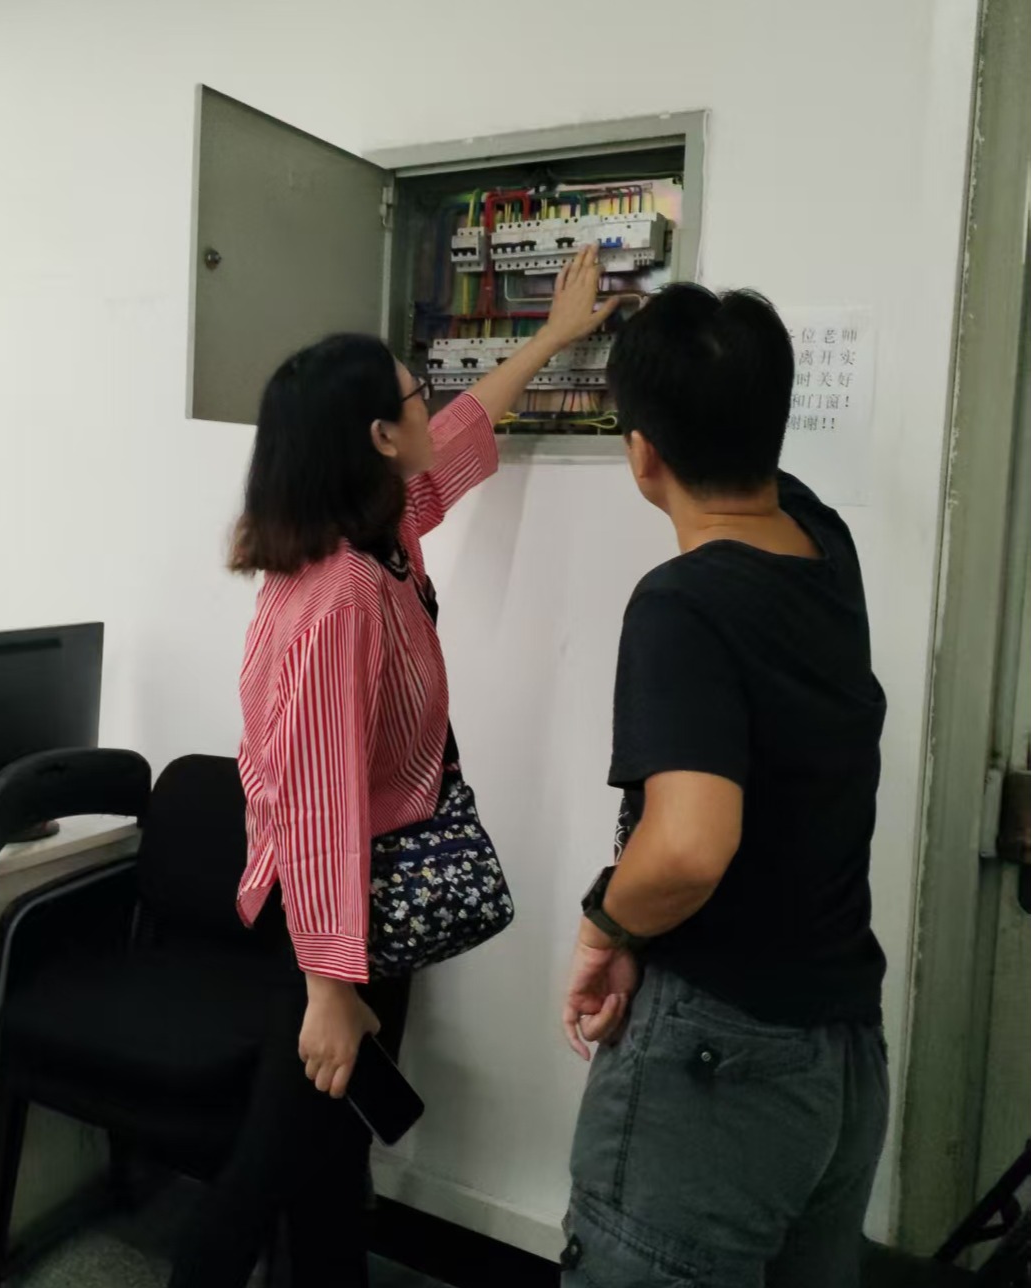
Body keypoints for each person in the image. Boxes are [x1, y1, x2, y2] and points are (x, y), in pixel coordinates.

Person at [184, 247, 623, 1288]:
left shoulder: (375, 534)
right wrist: (332, 986)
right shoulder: (341, 594)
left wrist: (552, 339)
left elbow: (462, 435)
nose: (432, 402)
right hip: (329, 918)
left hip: (366, 901)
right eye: (414, 394)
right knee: (269, 1164)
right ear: (380, 437)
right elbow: (319, 805)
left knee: (331, 1158)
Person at [560, 284, 889, 1288]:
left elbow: (689, 847)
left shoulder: (683, 604)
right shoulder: (822, 542)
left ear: (642, 455)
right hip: (839, 1055)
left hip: (717, 1064)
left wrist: (603, 928)